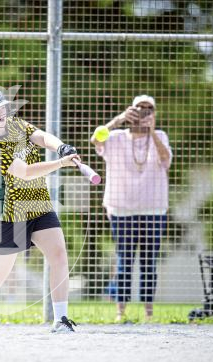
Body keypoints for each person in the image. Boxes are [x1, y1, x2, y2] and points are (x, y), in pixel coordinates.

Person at [0, 86, 81, 333]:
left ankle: (61, 319)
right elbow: (25, 172)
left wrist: (62, 147)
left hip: (39, 204)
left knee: (59, 255)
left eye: (1, 108)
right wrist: (61, 163)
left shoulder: (15, 125)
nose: (0, 114)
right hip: (10, 213)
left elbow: (41, 136)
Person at [90, 95, 172, 322]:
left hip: (153, 208)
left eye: (149, 109)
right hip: (121, 208)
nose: (144, 113)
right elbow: (95, 138)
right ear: (131, 110)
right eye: (139, 108)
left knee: (149, 261)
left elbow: (166, 160)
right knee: (124, 260)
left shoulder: (161, 136)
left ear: (154, 113)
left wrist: (152, 131)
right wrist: (118, 119)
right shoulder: (115, 137)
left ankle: (148, 313)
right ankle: (120, 311)